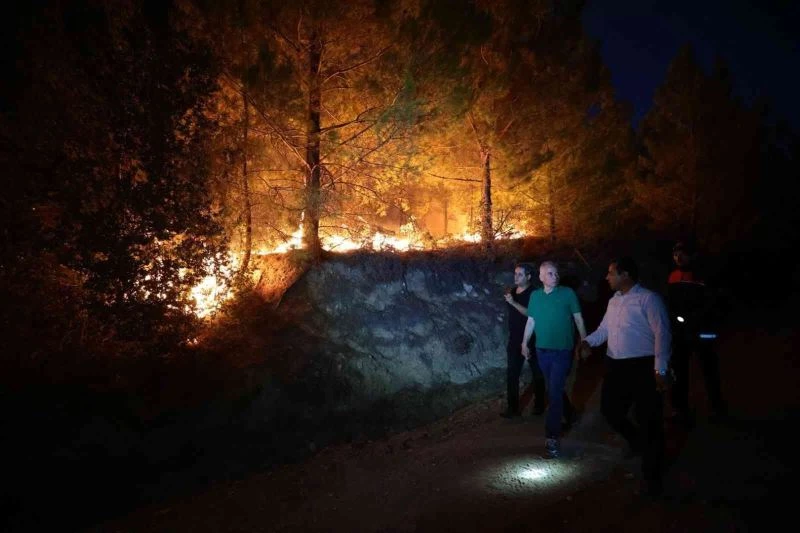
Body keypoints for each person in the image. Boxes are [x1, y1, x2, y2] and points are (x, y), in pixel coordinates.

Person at [577, 257, 672, 497]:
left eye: (611, 273)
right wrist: (588, 342)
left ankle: (653, 477)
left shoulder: (648, 299)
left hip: (642, 367)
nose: (607, 277)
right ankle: (637, 442)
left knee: (650, 420)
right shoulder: (614, 301)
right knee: (610, 411)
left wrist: (660, 369)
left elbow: (663, 333)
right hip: (616, 366)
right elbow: (604, 330)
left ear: (625, 275)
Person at [521, 261, 587, 458]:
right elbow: (531, 320)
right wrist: (524, 343)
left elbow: (578, 319)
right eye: (550, 273)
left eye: (556, 273)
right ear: (541, 277)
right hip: (542, 350)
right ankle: (571, 414)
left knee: (555, 392)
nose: (555, 276)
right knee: (554, 388)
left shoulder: (567, 294)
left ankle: (552, 438)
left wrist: (584, 341)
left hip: (562, 351)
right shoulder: (535, 296)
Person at [667, 240, 727, 426]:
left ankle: (717, 408)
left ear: (692, 255)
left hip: (703, 331)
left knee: (709, 369)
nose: (678, 257)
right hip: (680, 332)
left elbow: (713, 302)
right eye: (676, 254)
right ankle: (680, 409)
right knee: (679, 371)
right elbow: (669, 301)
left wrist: (699, 319)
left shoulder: (702, 275)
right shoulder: (673, 276)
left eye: (682, 253)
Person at [501, 263, 546, 419]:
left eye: (520, 274)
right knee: (512, 374)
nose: (516, 276)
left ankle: (540, 405)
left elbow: (531, 314)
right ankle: (512, 408)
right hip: (514, 340)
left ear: (528, 276)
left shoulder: (535, 293)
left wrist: (513, 302)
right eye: (515, 273)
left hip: (533, 339)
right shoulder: (512, 292)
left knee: (538, 373)